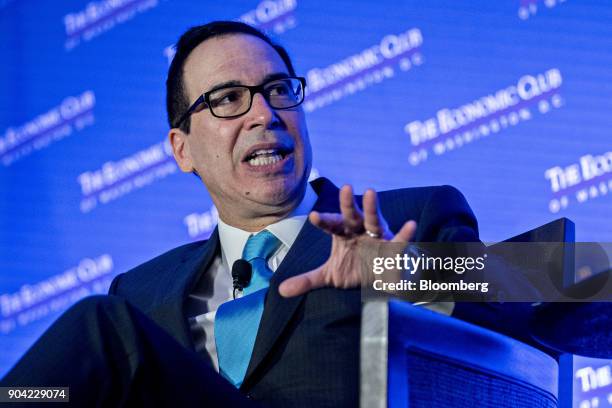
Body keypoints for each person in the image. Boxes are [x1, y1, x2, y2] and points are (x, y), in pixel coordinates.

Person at [1, 21, 487, 407]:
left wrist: (405, 272)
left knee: (100, 327)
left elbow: (560, 289)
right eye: (228, 99)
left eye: (278, 89)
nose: (264, 114)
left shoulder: (408, 218)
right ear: (182, 149)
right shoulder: (141, 293)